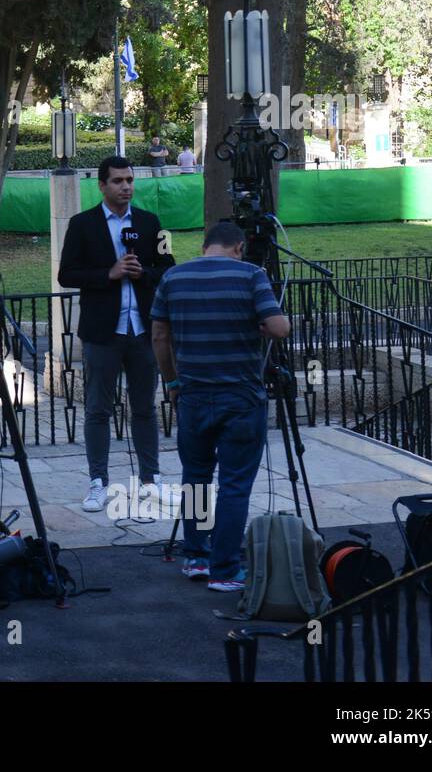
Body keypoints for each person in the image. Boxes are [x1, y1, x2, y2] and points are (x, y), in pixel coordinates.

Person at [150, 221, 291, 591]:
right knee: (234, 485)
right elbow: (278, 328)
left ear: (204, 245)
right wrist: (267, 324)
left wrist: (172, 382)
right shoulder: (252, 275)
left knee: (195, 478)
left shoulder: (174, 278)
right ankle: (225, 570)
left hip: (193, 395)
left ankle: (196, 556)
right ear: (239, 247)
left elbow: (159, 336)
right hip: (241, 397)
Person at [57, 155, 175, 513]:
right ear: (102, 185)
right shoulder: (82, 224)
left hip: (142, 332)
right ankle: (98, 483)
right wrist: (108, 273)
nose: (126, 187)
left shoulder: (151, 222)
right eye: (119, 181)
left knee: (145, 409)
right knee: (97, 409)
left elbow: (169, 268)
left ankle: (150, 481)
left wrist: (144, 274)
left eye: (130, 180)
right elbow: (67, 275)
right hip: (102, 332)